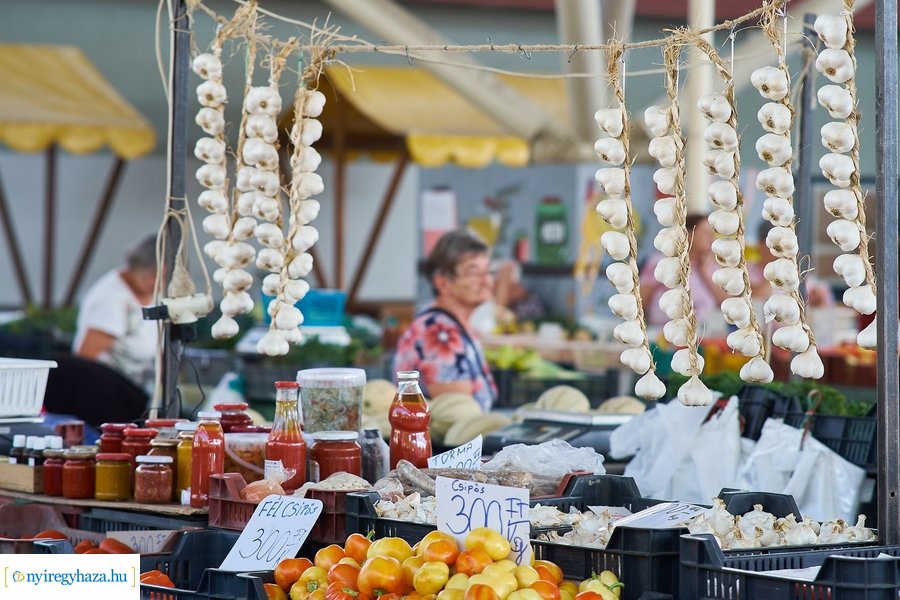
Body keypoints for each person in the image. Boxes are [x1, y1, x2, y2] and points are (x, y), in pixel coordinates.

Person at [393, 230, 498, 410]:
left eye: (487, 271)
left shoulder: (452, 323)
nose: (486, 281)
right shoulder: (439, 331)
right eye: (474, 273)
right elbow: (458, 414)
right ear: (443, 283)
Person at [73, 234, 159, 390]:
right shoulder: (111, 299)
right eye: (152, 275)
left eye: (162, 276)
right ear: (138, 266)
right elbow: (85, 362)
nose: (156, 283)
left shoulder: (152, 291)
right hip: (109, 392)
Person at [639, 214, 728, 327]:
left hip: (703, 335)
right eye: (706, 232)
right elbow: (641, 301)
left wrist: (704, 271)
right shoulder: (661, 262)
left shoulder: (711, 267)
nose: (712, 238)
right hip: (663, 333)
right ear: (688, 234)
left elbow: (725, 304)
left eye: (712, 234)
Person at [750, 220, 835, 308]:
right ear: (760, 245)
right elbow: (755, 297)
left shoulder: (804, 278)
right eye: (778, 247)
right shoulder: (748, 272)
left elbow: (824, 302)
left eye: (787, 247)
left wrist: (818, 300)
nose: (783, 252)